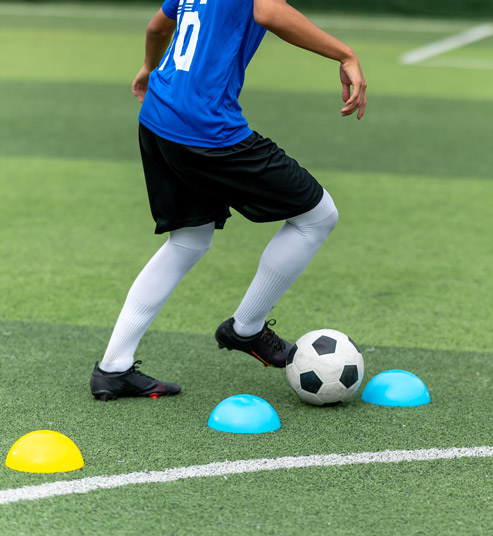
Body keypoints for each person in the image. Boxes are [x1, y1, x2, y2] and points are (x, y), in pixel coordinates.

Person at [89, 0, 367, 401]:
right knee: (317, 216)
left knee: (188, 240)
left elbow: (156, 28)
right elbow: (269, 11)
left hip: (158, 116)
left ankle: (113, 368)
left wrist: (149, 67)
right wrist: (345, 54)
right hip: (204, 126)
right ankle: (246, 329)